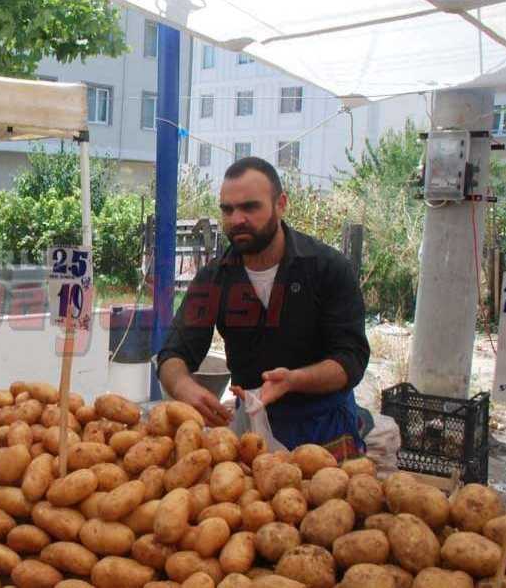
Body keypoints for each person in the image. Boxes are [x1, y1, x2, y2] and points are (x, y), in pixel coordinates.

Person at [158, 157, 370, 459]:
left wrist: (295, 380)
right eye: (228, 209)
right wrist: (183, 386)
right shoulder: (215, 278)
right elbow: (173, 353)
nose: (237, 219)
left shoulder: (326, 268)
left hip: (324, 429)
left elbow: (351, 360)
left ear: (281, 204)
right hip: (252, 432)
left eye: (250, 207)